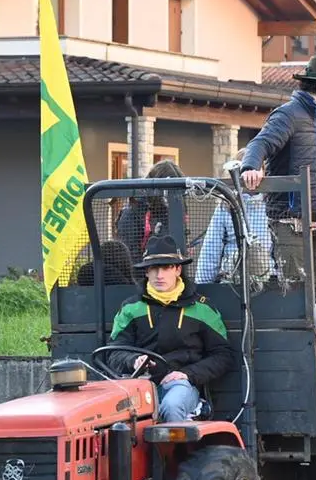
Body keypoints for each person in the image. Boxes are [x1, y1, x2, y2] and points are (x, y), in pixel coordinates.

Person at [239, 55, 316, 319]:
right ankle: (302, 352)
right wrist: (251, 167)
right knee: (297, 294)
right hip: (291, 224)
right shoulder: (288, 115)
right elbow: (260, 143)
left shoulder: (314, 120)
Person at [107, 235, 235, 422]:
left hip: (182, 384)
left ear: (177, 269)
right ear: (146, 272)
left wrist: (187, 374)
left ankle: (178, 445)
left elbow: (222, 355)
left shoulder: (203, 308)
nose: (160, 275)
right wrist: (134, 360)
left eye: (166, 267)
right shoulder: (130, 308)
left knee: (171, 406)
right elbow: (114, 353)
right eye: (154, 268)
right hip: (138, 384)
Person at [195, 148, 275, 284]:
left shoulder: (272, 206)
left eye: (256, 169)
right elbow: (211, 249)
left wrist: (278, 282)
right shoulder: (225, 207)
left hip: (267, 281)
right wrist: (203, 286)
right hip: (232, 281)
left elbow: (278, 249)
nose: (250, 175)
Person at [117, 160, 182, 265]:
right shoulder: (132, 214)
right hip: (142, 275)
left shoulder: (174, 212)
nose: (171, 197)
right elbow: (130, 259)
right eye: (167, 192)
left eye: (177, 191)